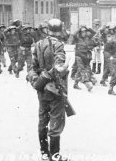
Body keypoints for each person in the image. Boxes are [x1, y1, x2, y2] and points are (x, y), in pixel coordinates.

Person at [27, 19, 69, 161]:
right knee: (56, 121)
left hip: (41, 88)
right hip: (55, 88)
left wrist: (36, 81)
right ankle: (55, 155)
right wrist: (60, 69)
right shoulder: (58, 44)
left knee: (43, 120)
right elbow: (59, 65)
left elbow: (32, 68)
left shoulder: (38, 44)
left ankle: (44, 154)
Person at [71, 25, 98, 91]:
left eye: (85, 32)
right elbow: (74, 34)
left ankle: (75, 84)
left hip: (86, 56)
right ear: (80, 32)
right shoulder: (77, 38)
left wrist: (88, 28)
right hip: (79, 56)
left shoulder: (88, 37)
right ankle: (87, 83)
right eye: (82, 32)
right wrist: (79, 29)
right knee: (81, 69)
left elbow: (94, 33)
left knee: (87, 69)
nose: (84, 33)